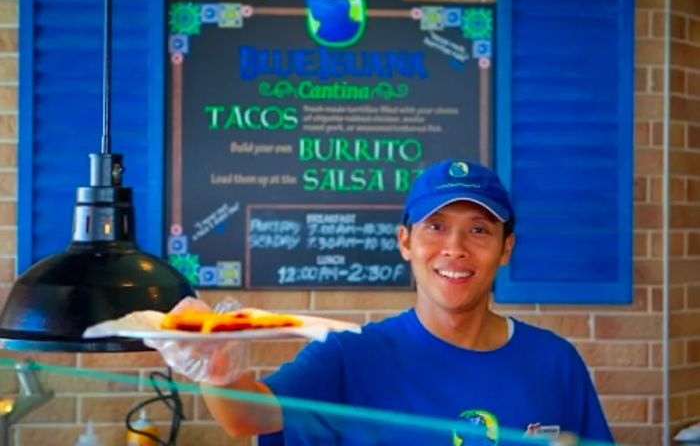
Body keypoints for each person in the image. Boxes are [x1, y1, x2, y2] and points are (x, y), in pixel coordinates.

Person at [148, 159, 614, 445]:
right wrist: (218, 367)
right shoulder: (351, 356)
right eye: (435, 227)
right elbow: (247, 415)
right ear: (405, 242)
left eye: (478, 230)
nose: (455, 248)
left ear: (506, 248)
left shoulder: (554, 360)